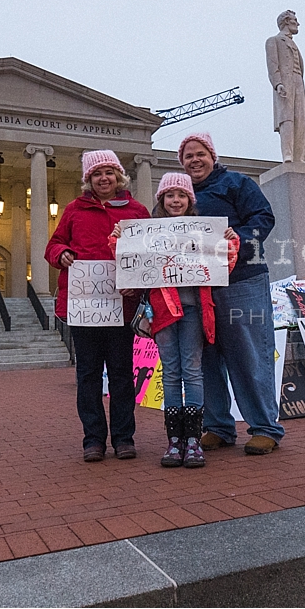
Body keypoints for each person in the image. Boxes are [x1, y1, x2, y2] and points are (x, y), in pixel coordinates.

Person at [110, 173, 239, 468]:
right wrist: (119, 237)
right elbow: (126, 259)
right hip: (163, 310)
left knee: (192, 370)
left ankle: (193, 439)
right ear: (162, 200)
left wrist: (230, 241)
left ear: (189, 201)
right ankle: (175, 441)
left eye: (182, 195)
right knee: (170, 372)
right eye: (170, 195)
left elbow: (225, 264)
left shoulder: (204, 230)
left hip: (194, 309)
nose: (176, 200)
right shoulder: (147, 231)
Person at [178, 132, 285, 454]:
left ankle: (265, 427)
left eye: (200, 154)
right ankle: (218, 427)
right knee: (205, 360)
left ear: (212, 155)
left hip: (242, 281)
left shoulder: (238, 184)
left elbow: (263, 218)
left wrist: (235, 236)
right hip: (200, 286)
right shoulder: (179, 195)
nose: (194, 160)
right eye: (188, 156)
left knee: (249, 354)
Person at [45, 150, 151, 462]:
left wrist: (139, 281)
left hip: (122, 305)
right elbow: (53, 245)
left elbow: (150, 255)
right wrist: (61, 252)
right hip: (83, 307)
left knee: (120, 374)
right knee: (88, 375)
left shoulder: (137, 211)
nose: (103, 178)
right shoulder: (74, 210)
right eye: (96, 174)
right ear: (88, 180)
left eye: (109, 172)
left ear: (119, 176)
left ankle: (123, 438)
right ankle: (93, 439)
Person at [266, 10, 305, 163]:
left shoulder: (295, 45)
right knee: (287, 118)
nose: (298, 23)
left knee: (300, 119)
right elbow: (272, 66)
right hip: (285, 83)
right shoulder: (274, 41)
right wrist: (278, 84)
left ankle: (300, 157)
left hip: (298, 82)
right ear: (286, 22)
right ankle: (288, 155)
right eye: (294, 20)